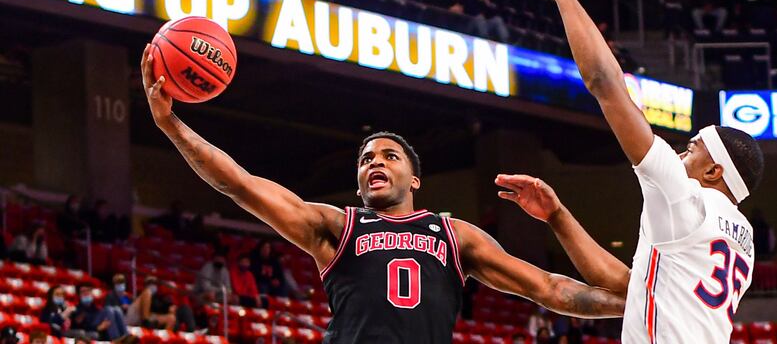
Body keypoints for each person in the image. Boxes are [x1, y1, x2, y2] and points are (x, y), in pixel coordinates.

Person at [140, 46, 625, 344]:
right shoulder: (337, 227)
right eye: (366, 158)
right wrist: (172, 125)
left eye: (390, 156)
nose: (375, 161)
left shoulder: (455, 236)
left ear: (415, 180)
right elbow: (240, 185)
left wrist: (634, 304)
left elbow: (550, 288)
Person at [518, 0, 764, 343]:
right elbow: (630, 285)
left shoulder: (684, 200)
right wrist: (558, 217)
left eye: (691, 149)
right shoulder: (742, 237)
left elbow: (603, 82)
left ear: (713, 171)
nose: (680, 155)